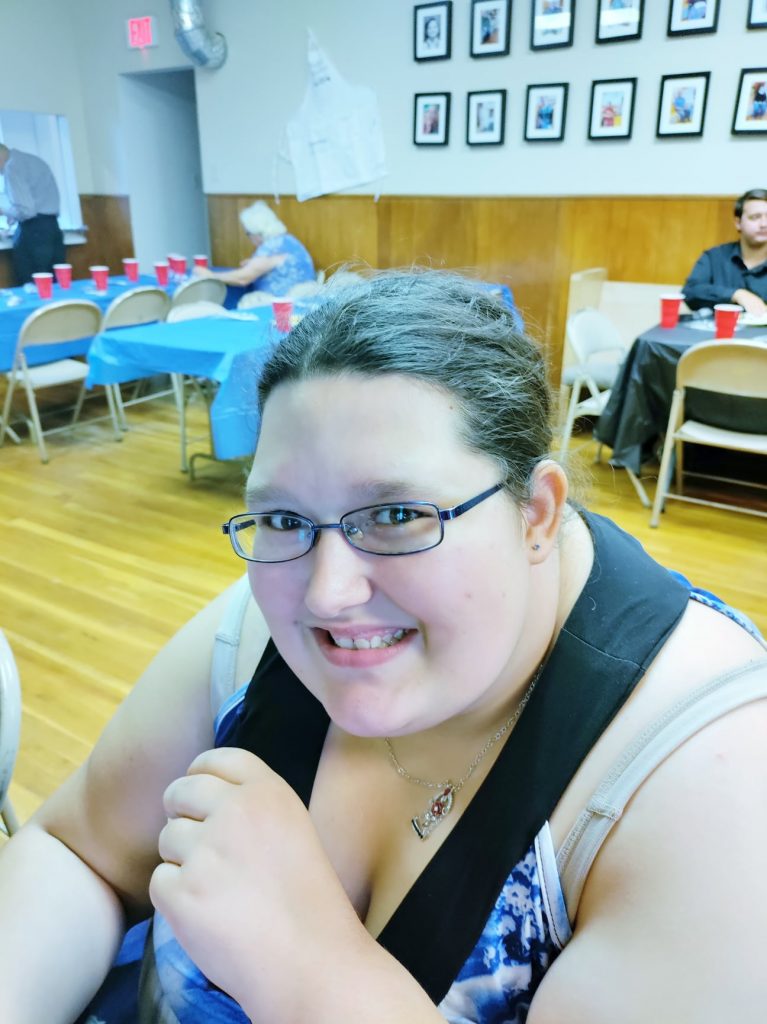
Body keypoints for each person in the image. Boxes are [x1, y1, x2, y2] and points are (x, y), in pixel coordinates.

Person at [0, 270, 765, 1024]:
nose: (327, 593)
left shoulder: (706, 774)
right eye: (285, 519)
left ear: (534, 513)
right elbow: (80, 853)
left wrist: (308, 963)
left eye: (396, 513)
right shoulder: (260, 626)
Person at [193, 200, 315, 295]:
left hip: (282, 304)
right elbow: (275, 264)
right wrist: (255, 264)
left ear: (257, 233)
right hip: (306, 297)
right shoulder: (288, 240)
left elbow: (243, 278)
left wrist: (210, 275)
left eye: (248, 234)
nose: (249, 239)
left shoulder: (269, 248)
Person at [682, 188, 767, 315]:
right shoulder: (714, 257)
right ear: (738, 223)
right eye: (755, 217)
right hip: (720, 332)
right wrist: (736, 294)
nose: (764, 224)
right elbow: (690, 292)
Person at [0, 143, 65, 285]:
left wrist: (4, 211)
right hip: (52, 229)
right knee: (55, 285)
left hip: (34, 233)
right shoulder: (34, 160)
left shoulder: (12, 168)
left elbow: (27, 211)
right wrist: (14, 214)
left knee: (33, 287)